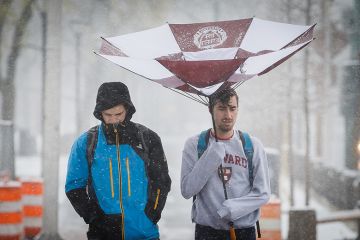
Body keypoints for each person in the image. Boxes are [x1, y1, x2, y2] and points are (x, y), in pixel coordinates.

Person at [65, 82, 171, 240]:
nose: (114, 120)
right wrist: (93, 217)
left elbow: (161, 181)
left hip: (144, 231)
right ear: (100, 113)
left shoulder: (148, 138)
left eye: (118, 114)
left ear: (127, 110)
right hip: (103, 233)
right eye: (108, 115)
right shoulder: (86, 143)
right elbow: (74, 186)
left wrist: (152, 213)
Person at [180, 88, 270, 240]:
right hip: (206, 233)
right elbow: (187, 190)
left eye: (232, 108)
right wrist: (210, 157)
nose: (228, 115)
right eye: (222, 108)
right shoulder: (194, 145)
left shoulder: (252, 146)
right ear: (210, 110)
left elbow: (263, 194)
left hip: (244, 232)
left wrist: (233, 208)